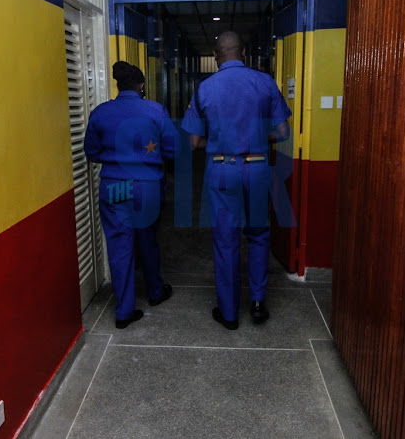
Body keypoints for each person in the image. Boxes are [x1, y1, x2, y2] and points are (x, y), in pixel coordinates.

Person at [181, 32, 292, 330]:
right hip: (257, 167)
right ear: (243, 52)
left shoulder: (205, 88)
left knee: (226, 240)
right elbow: (282, 133)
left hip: (222, 169)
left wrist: (218, 142)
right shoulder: (265, 82)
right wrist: (256, 138)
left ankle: (229, 314)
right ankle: (257, 303)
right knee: (258, 235)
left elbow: (193, 141)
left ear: (216, 56)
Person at [84, 62, 176, 329]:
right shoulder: (155, 110)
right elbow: (171, 150)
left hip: (114, 185)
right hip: (147, 186)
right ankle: (156, 292)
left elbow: (92, 152)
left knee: (119, 245)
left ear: (118, 85)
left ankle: (124, 311)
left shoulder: (100, 113)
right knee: (148, 239)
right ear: (141, 85)